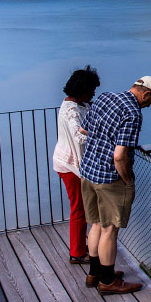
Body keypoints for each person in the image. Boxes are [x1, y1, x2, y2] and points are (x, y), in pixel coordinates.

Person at [80, 75, 151, 295]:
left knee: (96, 225)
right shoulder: (132, 113)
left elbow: (83, 130)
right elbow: (119, 156)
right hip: (109, 178)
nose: (150, 105)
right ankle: (108, 282)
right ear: (146, 94)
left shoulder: (105, 97)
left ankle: (95, 273)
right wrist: (127, 179)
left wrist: (102, 141)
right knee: (109, 230)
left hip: (88, 172)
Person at [52, 65, 100, 264]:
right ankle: (77, 253)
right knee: (78, 209)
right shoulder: (72, 111)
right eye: (91, 90)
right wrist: (100, 135)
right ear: (83, 90)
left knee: (80, 208)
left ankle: (80, 246)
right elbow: (79, 137)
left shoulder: (72, 104)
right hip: (70, 166)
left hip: (65, 162)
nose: (94, 93)